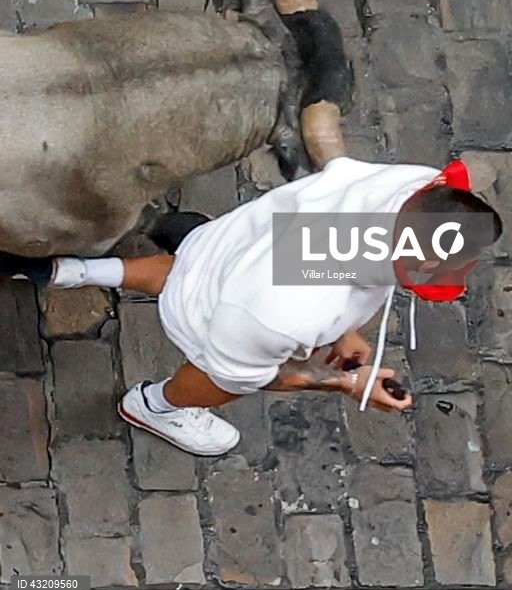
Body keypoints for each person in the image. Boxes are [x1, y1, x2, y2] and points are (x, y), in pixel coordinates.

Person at [1, 152, 502, 457]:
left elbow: (320, 254)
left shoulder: (411, 187)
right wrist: (344, 384)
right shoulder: (287, 315)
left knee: (186, 268)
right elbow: (240, 375)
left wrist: (344, 330)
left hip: (226, 248)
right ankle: (156, 407)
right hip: (215, 319)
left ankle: (73, 270)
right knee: (215, 378)